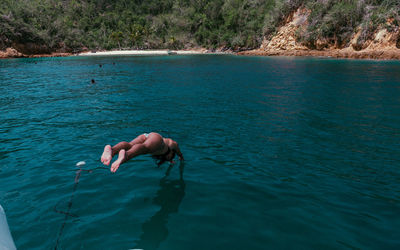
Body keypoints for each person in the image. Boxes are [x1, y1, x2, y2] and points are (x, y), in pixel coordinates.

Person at [101, 132, 184, 172]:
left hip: (146, 135)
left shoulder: (168, 149)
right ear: (171, 153)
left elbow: (176, 151)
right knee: (144, 148)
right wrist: (181, 157)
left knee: (130, 145)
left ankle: (112, 151)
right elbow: (178, 149)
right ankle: (125, 155)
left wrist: (177, 157)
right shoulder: (171, 144)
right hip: (158, 139)